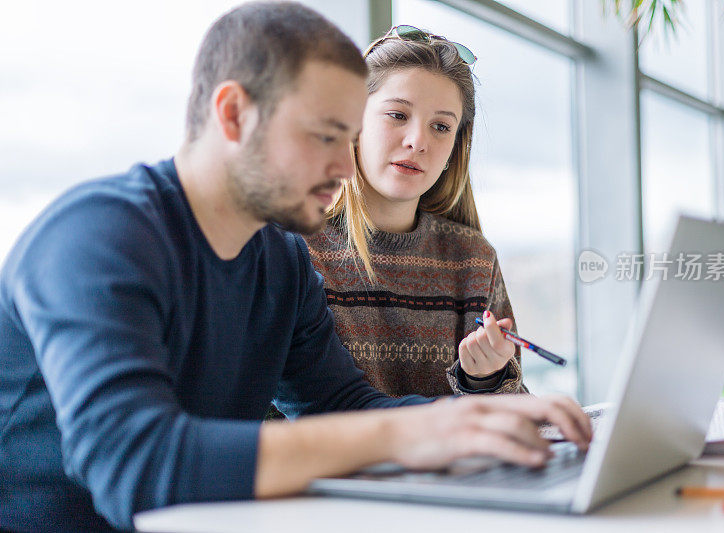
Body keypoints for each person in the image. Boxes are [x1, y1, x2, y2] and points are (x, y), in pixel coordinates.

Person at [0, 3, 591, 532]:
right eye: (327, 135)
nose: (345, 163)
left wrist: (488, 416)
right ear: (233, 114)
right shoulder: (96, 237)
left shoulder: (281, 262)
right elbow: (135, 465)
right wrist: (413, 433)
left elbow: (346, 407)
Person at [305, 26, 525, 397]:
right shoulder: (294, 247)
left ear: (456, 146)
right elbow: (270, 413)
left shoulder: (473, 259)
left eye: (441, 126)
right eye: (397, 115)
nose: (418, 141)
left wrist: (484, 379)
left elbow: (513, 416)